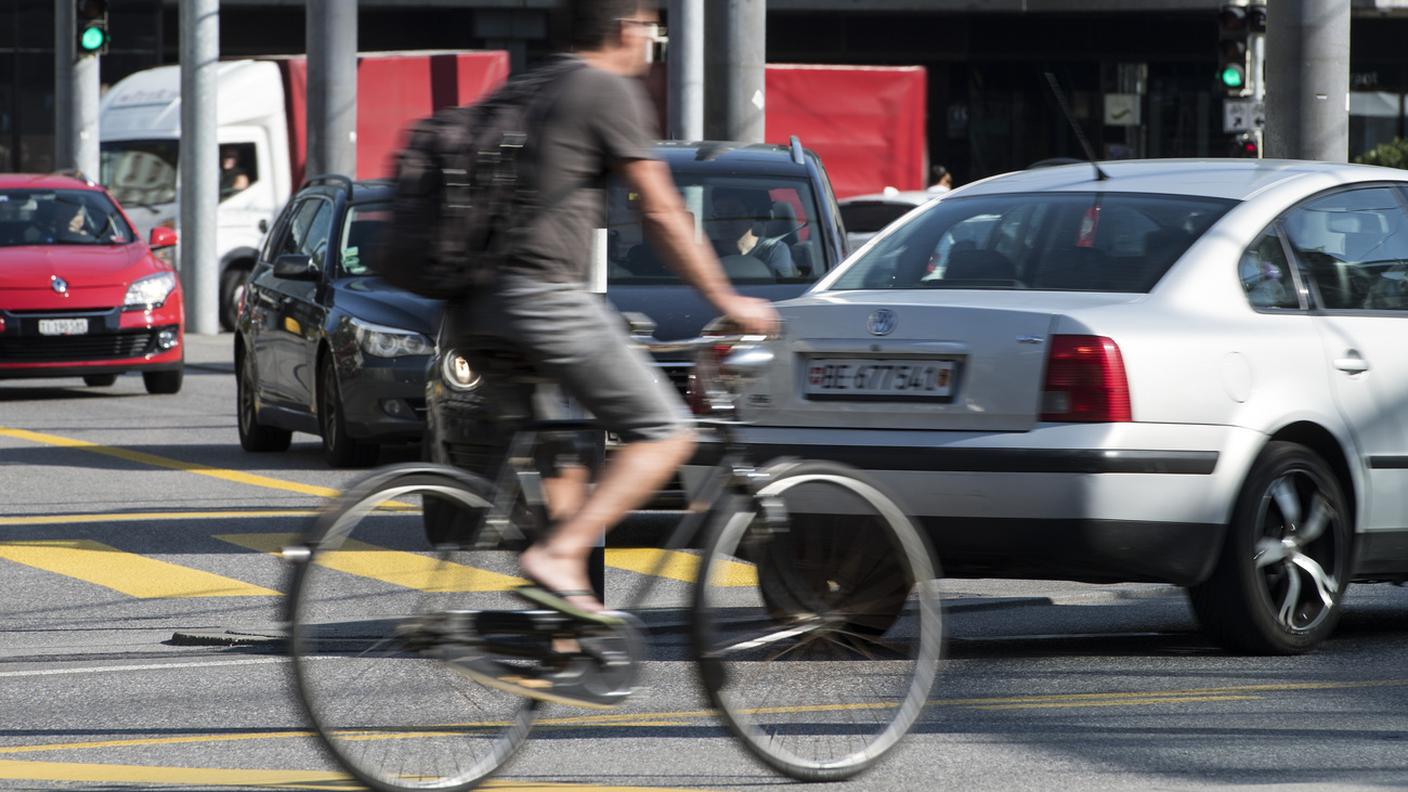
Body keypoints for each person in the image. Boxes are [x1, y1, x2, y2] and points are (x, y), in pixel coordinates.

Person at [445, 0, 777, 622]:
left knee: (562, 454)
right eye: (654, 33)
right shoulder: (604, 89)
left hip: (475, 307)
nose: (653, 46)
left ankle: (563, 633)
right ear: (627, 27)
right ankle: (560, 557)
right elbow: (661, 212)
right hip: (543, 299)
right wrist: (727, 300)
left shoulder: (526, 85)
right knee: (669, 431)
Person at [707, 188, 797, 278]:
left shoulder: (772, 250)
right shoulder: (705, 251)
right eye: (718, 214)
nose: (724, 222)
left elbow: (782, 289)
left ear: (752, 215)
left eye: (732, 214)